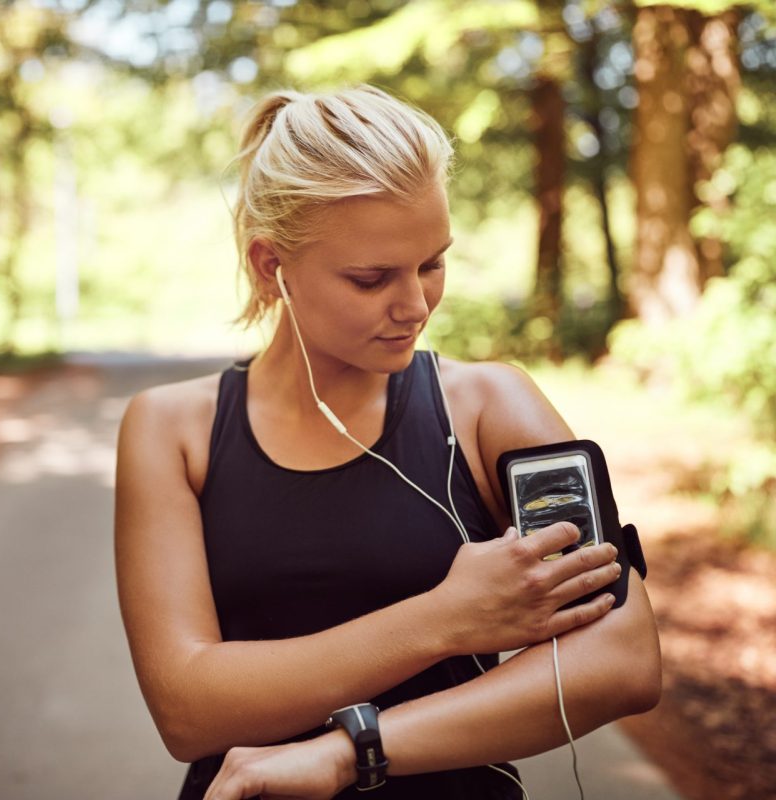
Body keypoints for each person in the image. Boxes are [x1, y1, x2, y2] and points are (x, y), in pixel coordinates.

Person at [113, 85, 661, 800]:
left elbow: (623, 657)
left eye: (432, 263)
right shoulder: (172, 430)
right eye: (371, 279)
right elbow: (188, 711)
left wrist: (351, 751)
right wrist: (444, 620)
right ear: (269, 266)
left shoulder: (490, 406)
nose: (415, 306)